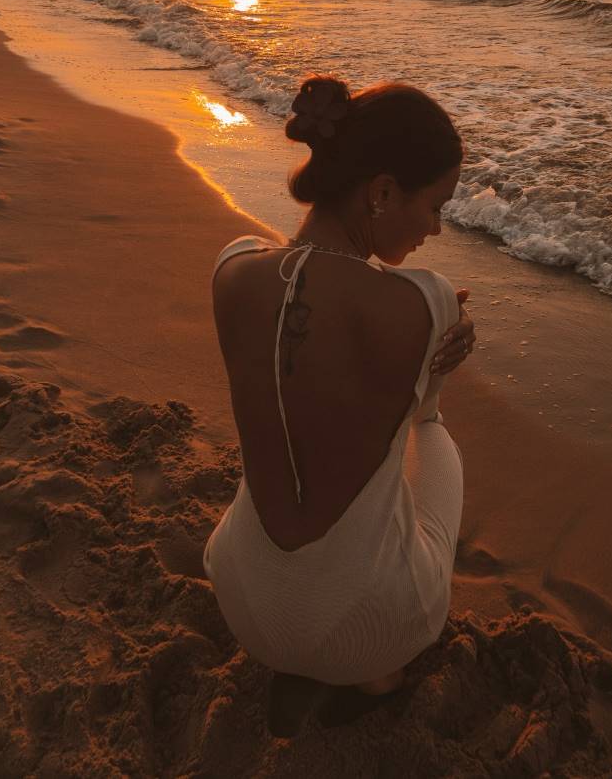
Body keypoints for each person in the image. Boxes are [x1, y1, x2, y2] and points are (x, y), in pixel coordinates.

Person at [204, 76, 476, 735]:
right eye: (436, 205)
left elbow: (305, 279)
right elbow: (413, 414)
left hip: (241, 602)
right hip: (374, 629)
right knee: (432, 430)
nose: (437, 228)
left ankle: (297, 647)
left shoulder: (232, 268)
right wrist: (444, 333)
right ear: (382, 192)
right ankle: (375, 677)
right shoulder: (425, 301)